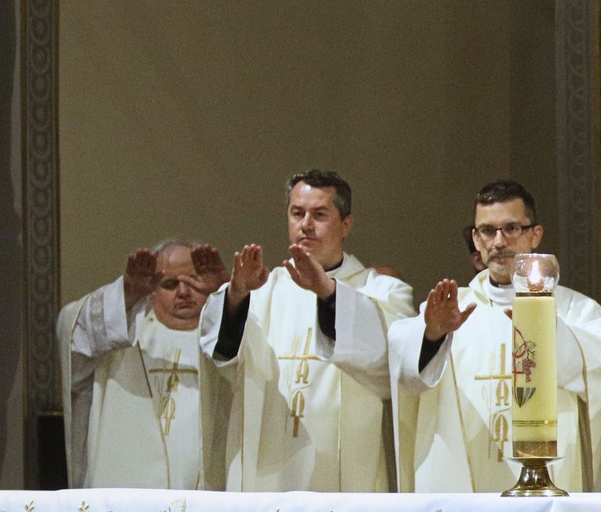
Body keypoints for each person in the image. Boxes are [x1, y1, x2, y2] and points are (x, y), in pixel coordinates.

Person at [391, 182, 601, 494]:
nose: (499, 242)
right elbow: (406, 374)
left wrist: (546, 331)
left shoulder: (575, 310)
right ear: (476, 239)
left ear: (535, 235)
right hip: (464, 490)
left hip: (548, 489)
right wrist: (432, 336)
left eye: (512, 228)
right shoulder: (448, 310)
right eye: (488, 231)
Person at [201, 170, 415, 493]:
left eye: (320, 215)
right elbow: (222, 356)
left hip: (345, 481)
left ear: (346, 225)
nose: (306, 225)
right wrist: (236, 295)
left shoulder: (382, 292)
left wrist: (329, 294)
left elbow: (389, 363)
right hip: (267, 474)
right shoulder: (262, 289)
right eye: (297, 213)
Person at [59, 240, 226, 489]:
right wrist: (127, 293)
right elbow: (72, 332)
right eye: (170, 284)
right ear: (152, 291)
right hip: (127, 499)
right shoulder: (119, 333)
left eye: (193, 283)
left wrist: (227, 292)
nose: (183, 292)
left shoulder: (226, 342)